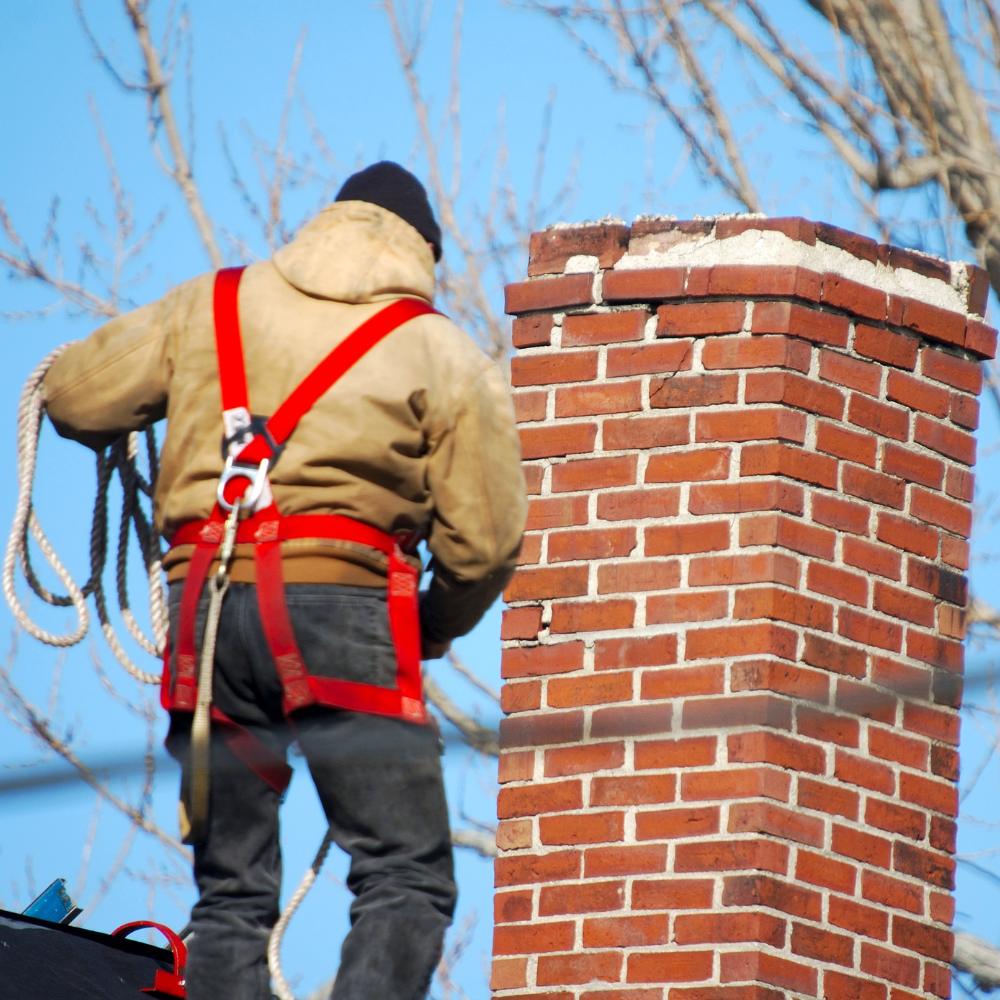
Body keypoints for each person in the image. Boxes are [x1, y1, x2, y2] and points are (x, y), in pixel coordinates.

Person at [41, 161, 527, 1000]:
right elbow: (484, 546)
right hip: (343, 611)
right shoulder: (439, 348)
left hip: (208, 610)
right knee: (405, 875)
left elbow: (75, 398)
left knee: (230, 896)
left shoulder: (210, 304)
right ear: (421, 254)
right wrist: (437, 623)